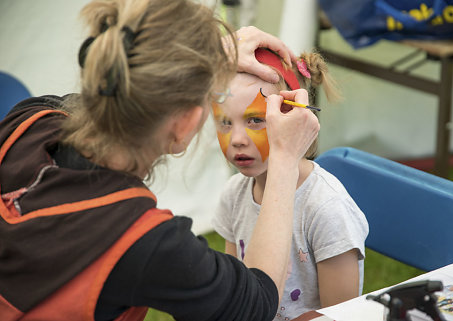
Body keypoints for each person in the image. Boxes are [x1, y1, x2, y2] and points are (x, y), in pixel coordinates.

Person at [0, 0, 320, 320]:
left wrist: (199, 61)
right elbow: (257, 303)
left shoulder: (29, 120)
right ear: (183, 123)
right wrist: (283, 158)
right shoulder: (143, 242)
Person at [211, 48, 369, 320]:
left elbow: (340, 315)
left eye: (256, 120)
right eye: (225, 122)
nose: (236, 138)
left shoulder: (326, 209)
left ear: (295, 117)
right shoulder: (233, 195)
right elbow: (236, 289)